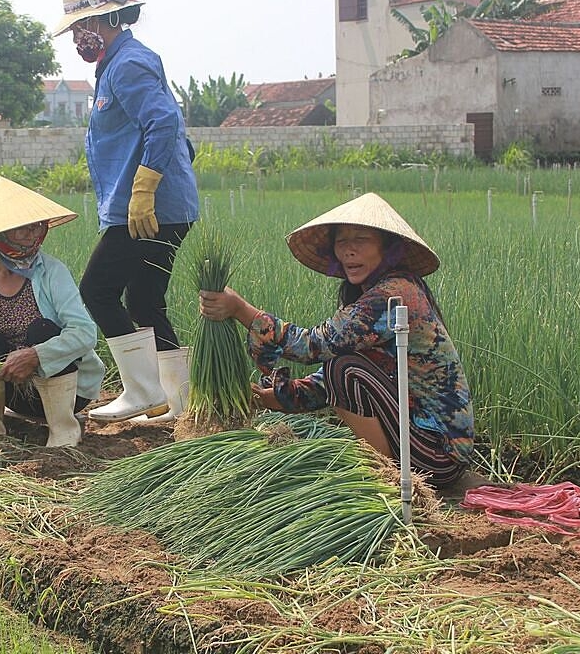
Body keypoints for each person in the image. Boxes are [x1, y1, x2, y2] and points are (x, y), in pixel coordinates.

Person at [197, 192, 475, 488]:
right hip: (422, 443)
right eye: (342, 241)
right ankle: (387, 470)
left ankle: (388, 480)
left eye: (361, 240)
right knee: (341, 367)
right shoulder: (376, 292)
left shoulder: (394, 294)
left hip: (438, 453)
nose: (349, 251)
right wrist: (283, 396)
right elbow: (331, 381)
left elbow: (313, 347)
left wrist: (242, 310)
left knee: (343, 368)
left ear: (388, 248)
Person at [51, 0, 200, 424]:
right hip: (155, 206)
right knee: (144, 300)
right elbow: (164, 130)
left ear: (109, 19)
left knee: (96, 291)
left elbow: (163, 122)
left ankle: (143, 391)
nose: (77, 38)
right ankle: (178, 401)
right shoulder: (117, 65)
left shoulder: (129, 64)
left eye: (82, 27)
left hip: (148, 210)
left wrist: (145, 189)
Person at [0, 176, 105, 447]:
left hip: (67, 391)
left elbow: (85, 333)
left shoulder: (52, 272)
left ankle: (64, 434)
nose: (32, 234)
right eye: (22, 228)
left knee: (42, 330)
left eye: (37, 226)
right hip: (12, 395)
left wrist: (35, 356)